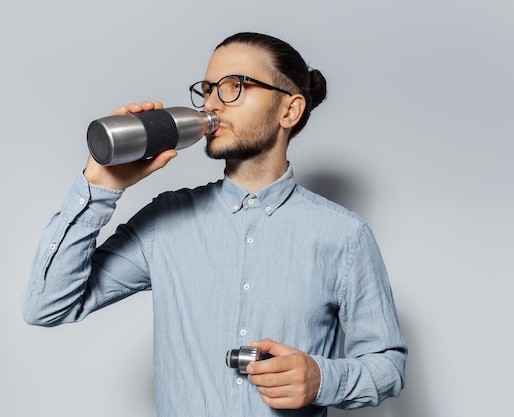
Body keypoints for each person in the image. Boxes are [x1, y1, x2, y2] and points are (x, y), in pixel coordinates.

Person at [22, 32, 407, 416]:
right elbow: (47, 306)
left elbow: (387, 365)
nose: (212, 104)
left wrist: (322, 379)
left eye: (233, 86)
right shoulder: (165, 221)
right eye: (207, 89)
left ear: (289, 111)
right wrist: (100, 185)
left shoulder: (344, 235)